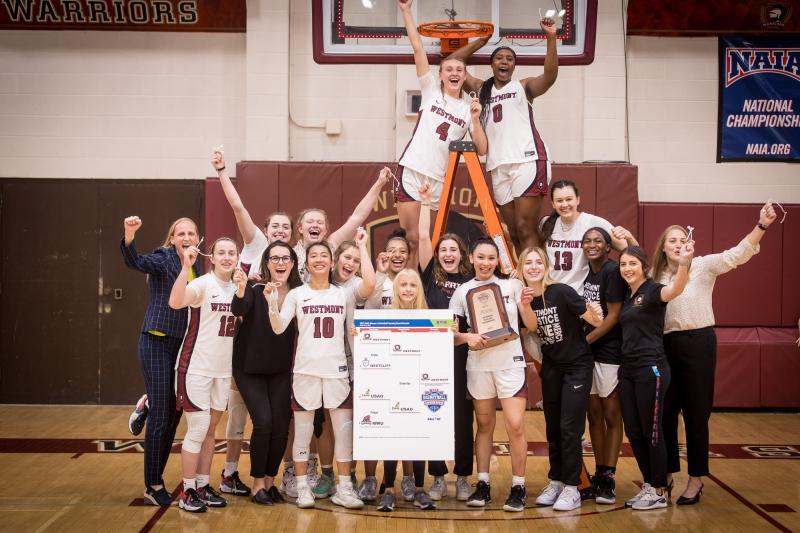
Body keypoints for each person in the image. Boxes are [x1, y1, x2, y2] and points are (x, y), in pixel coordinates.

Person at [655, 203, 777, 505]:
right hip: (666, 346)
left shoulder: (703, 265)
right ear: (663, 247)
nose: (678, 244)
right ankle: (667, 474)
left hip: (698, 343)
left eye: (682, 239)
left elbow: (738, 254)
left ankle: (696, 480)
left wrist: (760, 226)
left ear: (689, 245)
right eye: (672, 240)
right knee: (666, 414)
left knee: (696, 414)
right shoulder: (653, 275)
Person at [266, 241, 376, 509]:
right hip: (304, 372)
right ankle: (303, 488)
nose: (318, 259)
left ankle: (345, 488)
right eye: (313, 255)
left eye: (324, 255)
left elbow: (351, 334)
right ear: (307, 263)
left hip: (337, 372)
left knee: (344, 433)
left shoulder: (343, 295)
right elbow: (279, 328)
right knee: (303, 433)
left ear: (331, 261)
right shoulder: (296, 294)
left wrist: (359, 369)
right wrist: (272, 303)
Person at [450, 16, 557, 252]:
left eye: (510, 59)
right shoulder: (481, 88)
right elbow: (454, 61)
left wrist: (551, 38)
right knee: (515, 233)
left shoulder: (523, 87)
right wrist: (482, 40)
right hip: (498, 165)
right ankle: (523, 283)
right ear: (492, 64)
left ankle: (538, 286)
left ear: (514, 66)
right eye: (499, 57)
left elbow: (549, 77)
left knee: (526, 228)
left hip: (527, 160)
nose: (504, 61)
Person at [394, 0, 487, 267]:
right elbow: (417, 47)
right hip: (412, 169)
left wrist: (476, 120)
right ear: (441, 75)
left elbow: (482, 149)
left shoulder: (468, 107)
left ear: (464, 75)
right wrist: (406, 11)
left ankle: (426, 295)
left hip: (439, 180)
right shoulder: (431, 91)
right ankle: (408, 296)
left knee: (429, 241)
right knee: (411, 238)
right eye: (450, 69)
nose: (455, 73)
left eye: (459, 70)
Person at [449, 238, 538, 512]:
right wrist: (467, 336)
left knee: (515, 425)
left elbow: (532, 325)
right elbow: (451, 335)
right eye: (481, 257)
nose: (486, 263)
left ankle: (519, 485)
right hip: (479, 366)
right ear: (472, 259)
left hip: (510, 363)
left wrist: (525, 305)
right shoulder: (462, 291)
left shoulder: (512, 285)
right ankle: (483, 483)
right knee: (484, 427)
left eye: (491, 258)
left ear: (497, 260)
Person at [120, 215, 201, 506]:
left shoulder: (198, 265)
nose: (187, 237)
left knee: (175, 413)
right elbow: (135, 262)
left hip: (183, 346)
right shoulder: (163, 257)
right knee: (163, 415)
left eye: (192, 233)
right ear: (172, 239)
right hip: (156, 341)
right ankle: (153, 485)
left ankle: (152, 400)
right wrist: (130, 235)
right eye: (181, 233)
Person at [518, 247, 603, 512]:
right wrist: (522, 303)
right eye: (528, 263)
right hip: (552, 366)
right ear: (521, 269)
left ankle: (571, 487)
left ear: (546, 265)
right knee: (553, 427)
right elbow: (532, 327)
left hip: (577, 366)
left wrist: (595, 313)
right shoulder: (525, 298)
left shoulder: (562, 291)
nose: (533, 267)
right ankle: (555, 480)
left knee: (570, 427)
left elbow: (594, 320)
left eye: (538, 262)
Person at [617, 243, 693, 510]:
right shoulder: (629, 296)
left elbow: (676, 289)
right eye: (623, 264)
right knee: (634, 430)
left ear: (644, 267)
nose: (627, 268)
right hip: (627, 370)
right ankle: (649, 484)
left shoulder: (652, 291)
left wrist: (684, 263)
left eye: (632, 264)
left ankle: (660, 489)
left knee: (652, 431)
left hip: (652, 369)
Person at [168, 237, 239, 513]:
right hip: (194, 367)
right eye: (221, 252)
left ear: (237, 257)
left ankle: (201, 484)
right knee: (197, 429)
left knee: (211, 430)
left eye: (231, 253)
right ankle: (186, 491)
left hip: (221, 371)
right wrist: (186, 267)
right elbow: (175, 302)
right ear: (211, 256)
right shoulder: (202, 284)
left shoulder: (238, 288)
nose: (226, 257)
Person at [231, 241, 302, 505]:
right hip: (249, 367)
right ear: (267, 263)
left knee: (281, 427)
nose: (280, 263)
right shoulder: (254, 287)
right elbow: (238, 309)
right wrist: (239, 289)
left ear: (293, 263)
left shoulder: (299, 293)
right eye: (275, 258)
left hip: (281, 369)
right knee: (264, 423)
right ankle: (257, 483)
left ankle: (271, 480)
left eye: (286, 258)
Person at [418, 185, 474, 502]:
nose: (448, 254)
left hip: (462, 356)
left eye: (453, 250)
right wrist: (426, 202)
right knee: (434, 414)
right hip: (432, 358)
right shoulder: (430, 277)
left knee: (462, 419)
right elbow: (424, 237)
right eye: (444, 251)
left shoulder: (469, 282)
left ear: (461, 255)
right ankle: (437, 476)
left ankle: (462, 477)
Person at [359, 229, 416, 504]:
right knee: (374, 422)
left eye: (402, 251)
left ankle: (408, 477)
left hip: (405, 359)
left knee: (405, 420)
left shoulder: (411, 282)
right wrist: (380, 274)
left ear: (408, 256)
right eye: (392, 250)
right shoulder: (376, 280)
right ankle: (370, 478)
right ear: (384, 252)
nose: (397, 255)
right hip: (376, 361)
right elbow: (366, 311)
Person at [374, 269, 438, 512]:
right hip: (392, 386)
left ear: (419, 289)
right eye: (404, 285)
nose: (408, 289)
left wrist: (449, 332)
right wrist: (360, 333)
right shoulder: (385, 315)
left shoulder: (429, 317)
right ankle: (389, 490)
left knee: (418, 440)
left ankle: (420, 489)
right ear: (396, 289)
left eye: (413, 285)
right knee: (393, 439)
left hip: (419, 387)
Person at [580, 227, 626, 505]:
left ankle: (609, 475)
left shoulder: (611, 271)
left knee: (611, 414)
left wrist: (584, 341)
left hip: (609, 352)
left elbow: (614, 317)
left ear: (608, 247)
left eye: (598, 241)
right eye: (587, 241)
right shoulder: (587, 272)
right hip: (590, 352)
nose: (592, 245)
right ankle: (599, 471)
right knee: (594, 415)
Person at [540, 180, 638, 294]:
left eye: (569, 199)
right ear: (553, 204)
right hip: (551, 293)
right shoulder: (546, 223)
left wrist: (630, 237)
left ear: (578, 200)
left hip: (579, 295)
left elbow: (633, 253)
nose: (564, 204)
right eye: (559, 201)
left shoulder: (593, 222)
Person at [293, 167, 390, 281]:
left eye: (320, 222)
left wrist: (379, 183)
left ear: (325, 230)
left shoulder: (332, 244)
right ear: (300, 228)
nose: (315, 225)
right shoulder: (290, 254)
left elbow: (357, 217)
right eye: (310, 222)